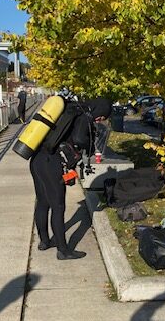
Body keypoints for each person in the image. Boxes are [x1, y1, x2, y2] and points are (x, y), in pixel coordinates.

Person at [30, 97, 112, 260]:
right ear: (99, 110)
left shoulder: (70, 110)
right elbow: (80, 139)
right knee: (58, 206)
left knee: (43, 202)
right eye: (101, 116)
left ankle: (44, 241)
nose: (99, 120)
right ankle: (63, 250)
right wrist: (89, 145)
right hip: (51, 163)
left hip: (37, 159)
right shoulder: (83, 116)